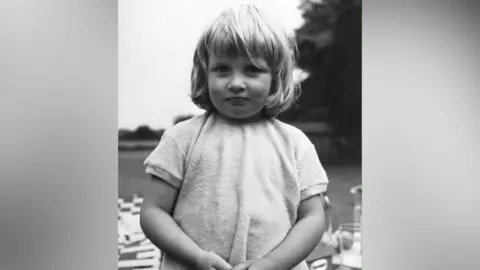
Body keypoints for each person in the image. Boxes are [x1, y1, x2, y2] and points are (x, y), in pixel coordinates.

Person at [140, 4, 329, 270]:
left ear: (275, 78)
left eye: (252, 70)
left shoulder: (296, 145)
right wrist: (195, 257)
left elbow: (312, 219)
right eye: (222, 69)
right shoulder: (180, 139)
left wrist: (272, 263)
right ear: (204, 74)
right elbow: (153, 212)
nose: (236, 83)